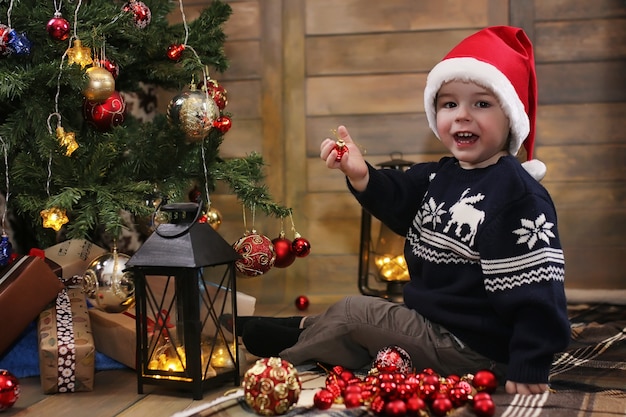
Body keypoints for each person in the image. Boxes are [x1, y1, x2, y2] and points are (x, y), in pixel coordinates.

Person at [233, 26, 571, 395]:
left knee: (357, 312)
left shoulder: (516, 196)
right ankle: (301, 328)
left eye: (482, 104)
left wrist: (530, 363)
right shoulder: (441, 175)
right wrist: (361, 175)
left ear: (511, 117)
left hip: (476, 347)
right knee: (361, 317)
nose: (462, 116)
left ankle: (286, 354)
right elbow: (399, 196)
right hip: (432, 323)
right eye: (450, 104)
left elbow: (538, 290)